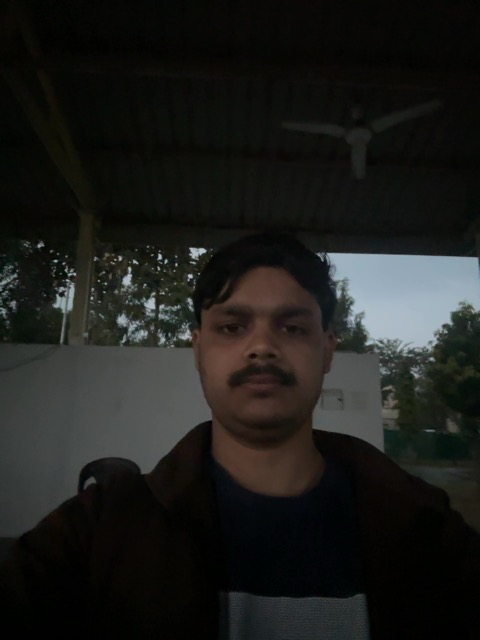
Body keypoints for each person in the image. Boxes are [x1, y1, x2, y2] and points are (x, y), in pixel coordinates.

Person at [1, 232, 479, 639]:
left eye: (293, 328)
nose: (262, 347)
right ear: (198, 350)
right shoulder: (99, 531)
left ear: (328, 350)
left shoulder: (426, 531)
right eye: (232, 327)